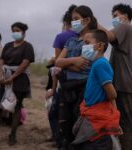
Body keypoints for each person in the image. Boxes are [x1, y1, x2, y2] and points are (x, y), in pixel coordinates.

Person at [0, 22, 35, 145]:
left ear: (23, 32)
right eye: (13, 30)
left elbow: (26, 62)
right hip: (4, 78)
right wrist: (1, 74)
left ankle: (13, 135)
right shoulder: (8, 45)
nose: (15, 33)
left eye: (17, 30)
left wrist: (13, 76)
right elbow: (1, 60)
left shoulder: (28, 46)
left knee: (16, 107)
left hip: (20, 79)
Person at [55, 5, 97, 149]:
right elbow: (57, 62)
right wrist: (73, 61)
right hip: (67, 88)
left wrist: (66, 64)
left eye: (77, 19)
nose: (74, 23)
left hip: (83, 88)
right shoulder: (71, 41)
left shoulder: (92, 41)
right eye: (72, 20)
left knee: (78, 123)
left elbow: (85, 65)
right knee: (65, 124)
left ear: (87, 20)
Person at [71, 29, 121, 150]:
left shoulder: (100, 64)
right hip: (92, 112)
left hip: (97, 115)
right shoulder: (97, 63)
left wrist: (111, 115)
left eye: (87, 42)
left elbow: (112, 93)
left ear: (99, 46)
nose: (84, 46)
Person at [98, 3, 132, 150]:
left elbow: (107, 35)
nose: (114, 19)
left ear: (125, 16)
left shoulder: (125, 27)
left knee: (125, 125)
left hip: (124, 86)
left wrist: (93, 22)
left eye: (116, 16)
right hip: (126, 85)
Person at [45, 4, 77, 149]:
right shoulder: (87, 36)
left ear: (65, 23)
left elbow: (57, 67)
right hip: (82, 83)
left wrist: (52, 88)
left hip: (65, 83)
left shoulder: (61, 37)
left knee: (54, 114)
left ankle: (60, 142)